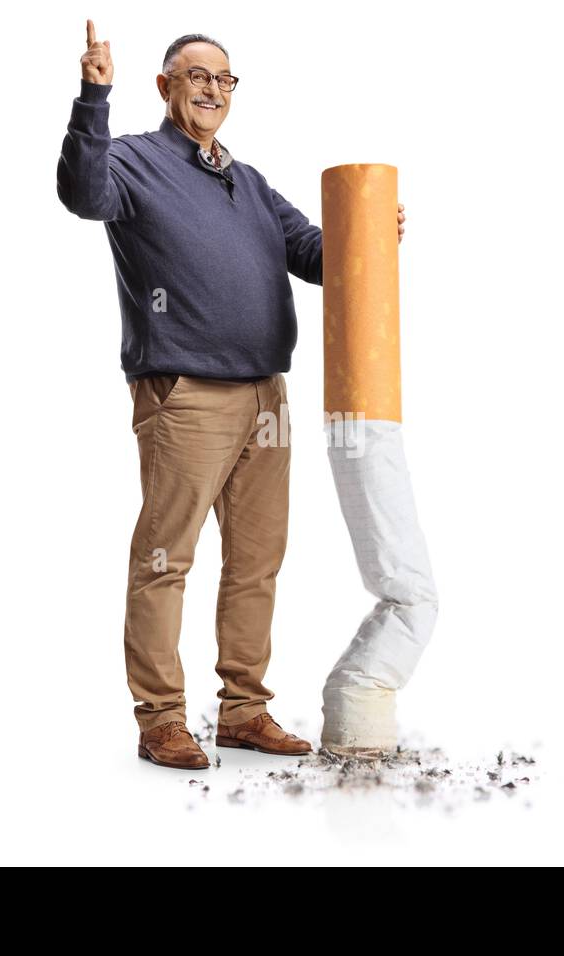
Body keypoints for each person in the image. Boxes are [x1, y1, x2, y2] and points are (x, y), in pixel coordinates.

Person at [56, 23, 406, 769]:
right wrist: (93, 97)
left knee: (256, 561)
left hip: (264, 397)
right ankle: (160, 720)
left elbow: (313, 254)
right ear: (165, 87)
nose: (212, 89)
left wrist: (369, 227)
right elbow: (81, 194)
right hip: (185, 395)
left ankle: (244, 710)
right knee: (165, 559)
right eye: (196, 76)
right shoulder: (134, 162)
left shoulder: (246, 182)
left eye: (224, 79)